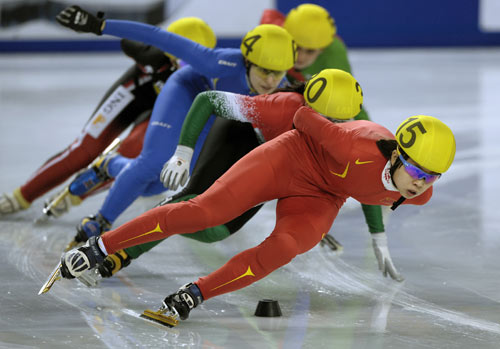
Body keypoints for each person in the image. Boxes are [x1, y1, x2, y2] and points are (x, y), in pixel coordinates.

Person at [59, 106, 455, 322]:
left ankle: (195, 293)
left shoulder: (416, 195)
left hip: (323, 195)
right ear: (397, 154)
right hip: (290, 157)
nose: (422, 183)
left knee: (286, 247)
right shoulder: (354, 145)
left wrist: (377, 236)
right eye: (417, 171)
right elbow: (302, 117)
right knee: (206, 212)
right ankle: (101, 247)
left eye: (432, 176)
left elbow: (374, 191)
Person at [96, 69, 399, 283]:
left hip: (288, 170)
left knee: (213, 233)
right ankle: (125, 248)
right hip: (241, 143)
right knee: (195, 208)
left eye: (345, 121)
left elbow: (367, 179)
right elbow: (208, 100)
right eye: (329, 120)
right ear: (308, 107)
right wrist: (183, 153)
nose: (336, 128)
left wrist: (376, 234)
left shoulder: (353, 134)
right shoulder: (281, 109)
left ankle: (128, 180)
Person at [54, 5, 296, 248]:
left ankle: (109, 165)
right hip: (185, 92)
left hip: (210, 110)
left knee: (158, 183)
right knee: (153, 162)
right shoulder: (217, 63)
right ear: (247, 62)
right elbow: (159, 37)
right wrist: (101, 26)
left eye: (278, 73)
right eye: (265, 71)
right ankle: (99, 221)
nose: (271, 81)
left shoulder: (283, 89)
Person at [0, 17, 217, 218]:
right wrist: (149, 53)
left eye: (194, 58)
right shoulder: (153, 53)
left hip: (159, 109)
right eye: (180, 56)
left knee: (131, 154)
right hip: (132, 93)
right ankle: (23, 195)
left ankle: (78, 193)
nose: (185, 65)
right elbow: (127, 42)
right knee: (84, 150)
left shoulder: (204, 74)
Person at [260, 2, 391, 260]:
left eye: (311, 51)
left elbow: (348, 106)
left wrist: (375, 143)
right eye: (297, 46)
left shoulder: (335, 53)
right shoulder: (271, 36)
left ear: (324, 48)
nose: (301, 56)